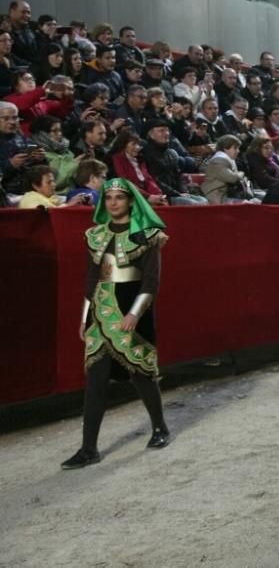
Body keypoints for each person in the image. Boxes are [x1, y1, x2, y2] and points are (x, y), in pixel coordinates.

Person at [60, 178, 172, 469]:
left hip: (133, 306)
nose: (112, 202)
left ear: (131, 201)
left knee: (141, 373)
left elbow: (151, 281)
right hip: (101, 308)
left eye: (118, 197)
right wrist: (85, 316)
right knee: (95, 378)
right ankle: (88, 449)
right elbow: (90, 278)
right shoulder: (95, 235)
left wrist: (135, 314)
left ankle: (160, 427)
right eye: (107, 197)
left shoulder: (147, 235)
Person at [109, 130, 168, 205]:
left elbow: (148, 180)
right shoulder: (117, 158)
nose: (137, 147)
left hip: (146, 195)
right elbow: (126, 183)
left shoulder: (140, 159)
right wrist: (148, 197)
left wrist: (158, 194)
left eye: (138, 144)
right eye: (133, 144)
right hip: (131, 197)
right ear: (123, 145)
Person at [202, 134, 253, 204]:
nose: (238, 151)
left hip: (228, 195)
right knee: (247, 204)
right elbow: (232, 178)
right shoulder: (218, 161)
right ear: (226, 148)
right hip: (216, 196)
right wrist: (241, 174)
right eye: (235, 148)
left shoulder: (229, 160)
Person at [18, 164, 89, 209]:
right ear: (35, 186)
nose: (54, 184)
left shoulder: (50, 198)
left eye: (53, 181)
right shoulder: (30, 199)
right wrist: (69, 204)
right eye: (49, 182)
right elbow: (52, 214)